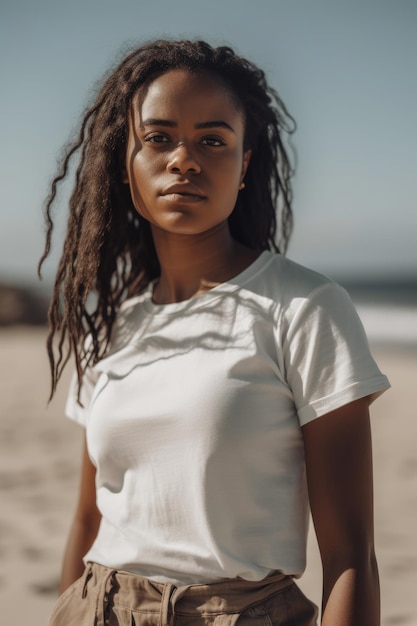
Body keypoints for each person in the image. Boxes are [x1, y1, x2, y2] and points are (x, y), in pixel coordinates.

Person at [39, 39, 390, 626]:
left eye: (212, 139)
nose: (184, 160)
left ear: (244, 164)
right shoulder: (111, 325)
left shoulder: (304, 307)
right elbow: (87, 519)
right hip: (94, 606)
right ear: (124, 163)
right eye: (157, 138)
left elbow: (351, 556)